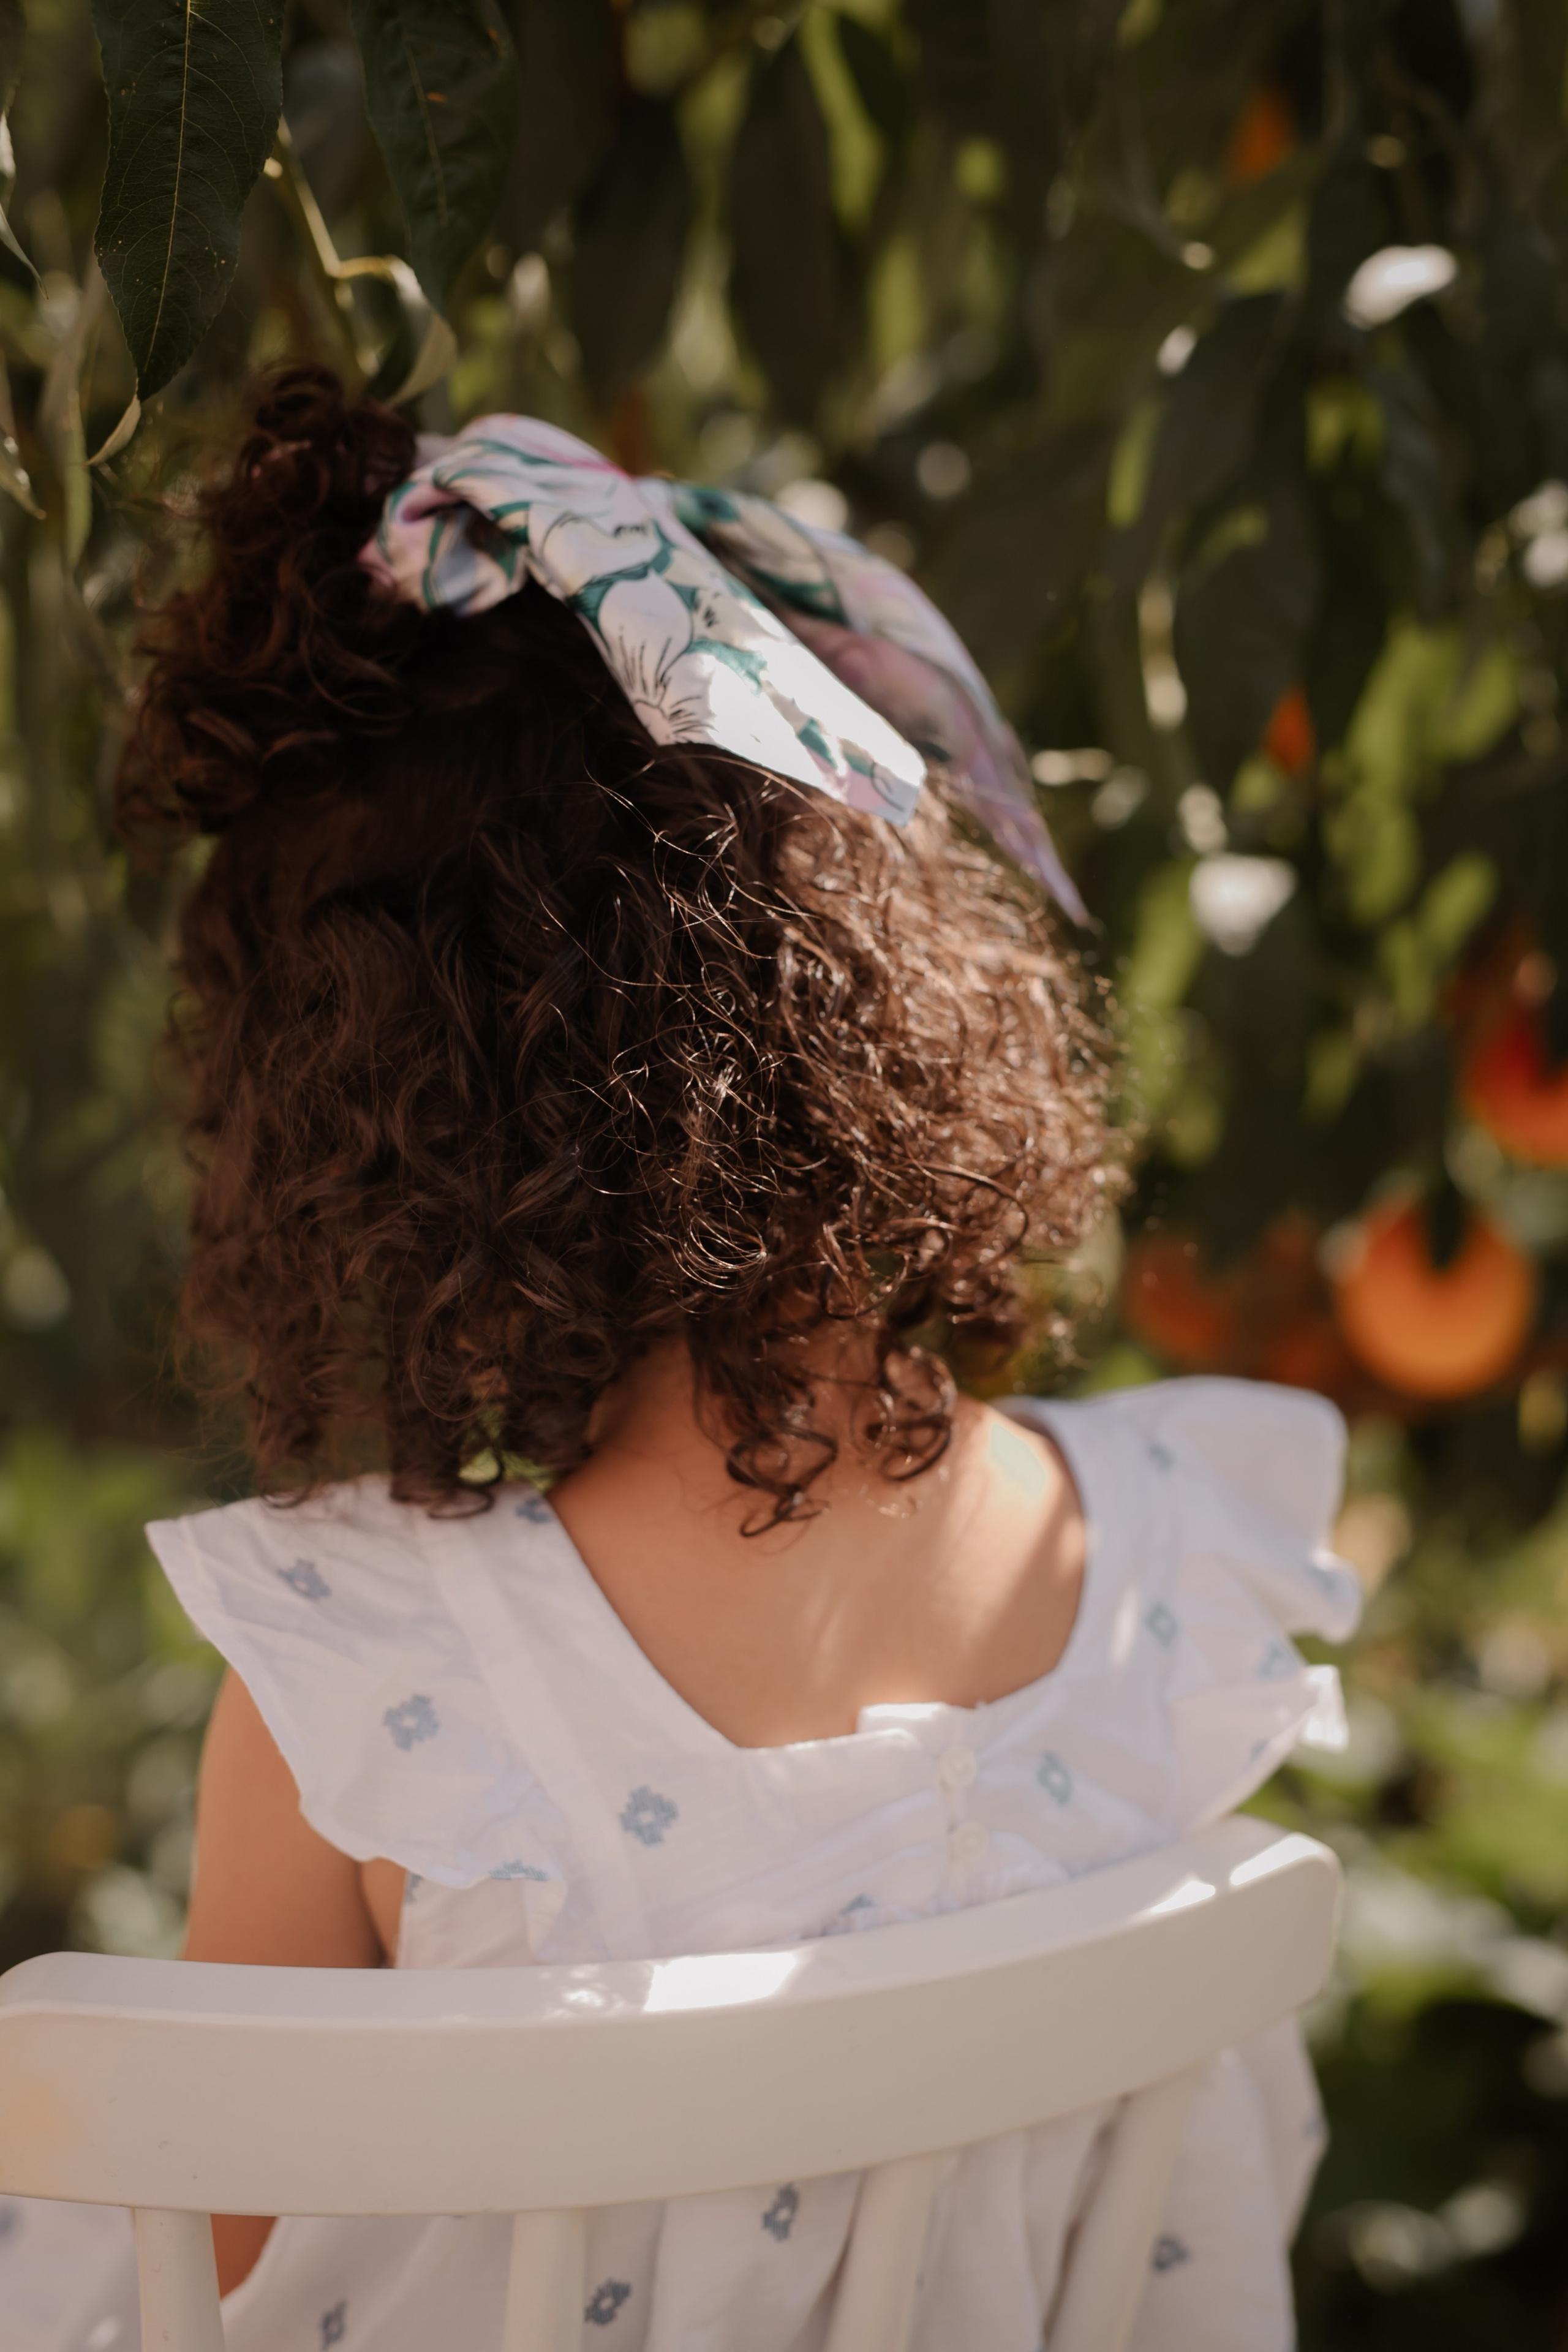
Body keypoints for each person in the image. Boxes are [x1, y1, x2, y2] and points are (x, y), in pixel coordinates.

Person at [0, 367, 1359, 2352]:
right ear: (887, 970)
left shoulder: (370, 1702)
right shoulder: (1183, 1568)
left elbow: (179, 2282)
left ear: (363, 1112)